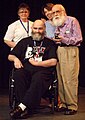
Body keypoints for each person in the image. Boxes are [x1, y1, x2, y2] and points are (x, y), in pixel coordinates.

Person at [8, 20, 57, 119]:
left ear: (44, 29)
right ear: (32, 28)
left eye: (40, 28)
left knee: (38, 78)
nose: (37, 31)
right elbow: (10, 56)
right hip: (26, 69)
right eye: (35, 28)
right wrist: (16, 59)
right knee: (18, 74)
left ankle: (21, 106)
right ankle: (26, 108)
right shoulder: (24, 41)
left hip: (43, 70)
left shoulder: (49, 43)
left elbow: (53, 61)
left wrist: (38, 63)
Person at [52, 4, 83, 115]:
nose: (55, 14)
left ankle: (72, 106)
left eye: (57, 11)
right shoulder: (57, 23)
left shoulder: (72, 21)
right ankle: (64, 104)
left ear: (63, 11)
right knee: (61, 79)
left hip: (70, 50)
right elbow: (58, 38)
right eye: (54, 12)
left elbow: (79, 39)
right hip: (60, 50)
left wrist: (63, 39)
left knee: (70, 79)